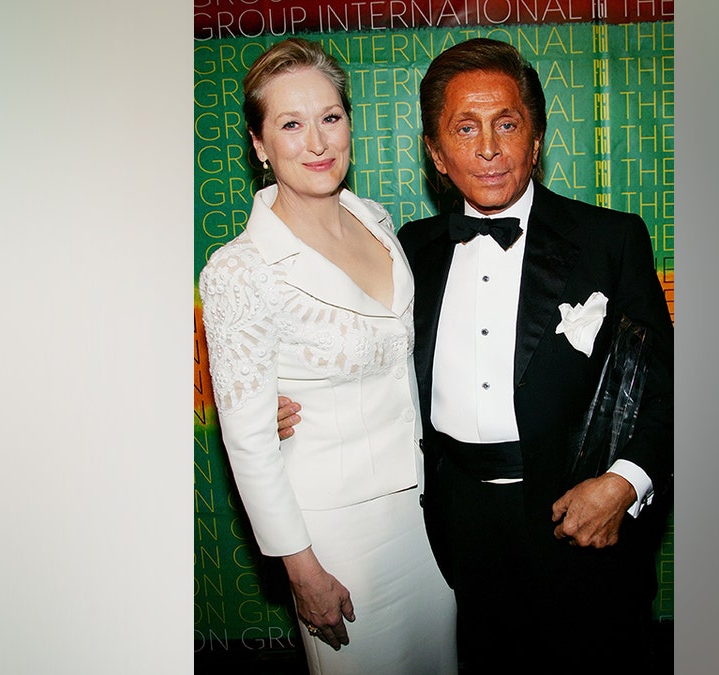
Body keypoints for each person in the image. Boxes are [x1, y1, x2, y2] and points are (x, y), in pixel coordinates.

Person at [283, 37, 673, 671]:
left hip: (579, 518)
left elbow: (668, 387)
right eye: (465, 128)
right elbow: (363, 354)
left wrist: (624, 483)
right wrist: (280, 402)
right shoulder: (409, 248)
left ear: (537, 138)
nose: (489, 147)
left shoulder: (611, 239)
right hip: (453, 526)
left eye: (507, 123)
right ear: (437, 153)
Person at [197, 37, 456, 675]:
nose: (316, 142)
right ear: (259, 144)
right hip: (336, 534)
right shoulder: (240, 270)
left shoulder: (376, 220)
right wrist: (300, 566)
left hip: (428, 514)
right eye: (290, 123)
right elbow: (250, 441)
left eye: (330, 118)